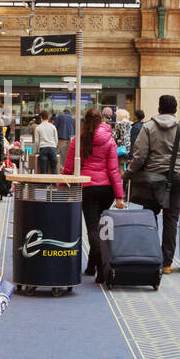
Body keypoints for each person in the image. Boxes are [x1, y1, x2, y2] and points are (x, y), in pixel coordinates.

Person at [127, 94, 180, 274]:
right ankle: (167, 263)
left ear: (158, 109)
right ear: (175, 110)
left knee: (150, 216)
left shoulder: (148, 127)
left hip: (151, 178)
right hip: (176, 178)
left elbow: (140, 156)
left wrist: (129, 172)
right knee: (171, 218)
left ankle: (151, 257)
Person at [64, 108, 125, 279]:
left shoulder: (79, 140)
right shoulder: (110, 140)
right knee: (102, 228)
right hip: (107, 190)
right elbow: (114, 170)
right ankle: (93, 267)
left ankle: (99, 266)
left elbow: (69, 167)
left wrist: (61, 187)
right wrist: (119, 196)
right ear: (101, 120)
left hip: (88, 187)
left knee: (92, 228)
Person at [34, 109, 59, 173]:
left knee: (43, 169)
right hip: (52, 148)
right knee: (54, 168)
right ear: (48, 117)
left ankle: (44, 182)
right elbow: (56, 139)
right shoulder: (53, 127)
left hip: (43, 148)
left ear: (41, 118)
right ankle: (54, 182)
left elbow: (37, 141)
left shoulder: (38, 127)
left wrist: (36, 151)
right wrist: (55, 147)